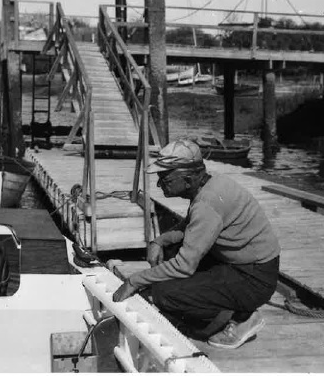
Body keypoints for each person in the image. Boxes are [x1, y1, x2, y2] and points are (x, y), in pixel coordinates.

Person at [113, 138, 280, 349]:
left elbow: (185, 265)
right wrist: (158, 241)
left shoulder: (207, 204)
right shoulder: (210, 184)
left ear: (188, 179)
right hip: (246, 265)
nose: (159, 184)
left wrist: (134, 281)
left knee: (165, 295)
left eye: (165, 179)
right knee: (169, 251)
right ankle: (225, 304)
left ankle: (240, 318)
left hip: (254, 278)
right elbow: (190, 225)